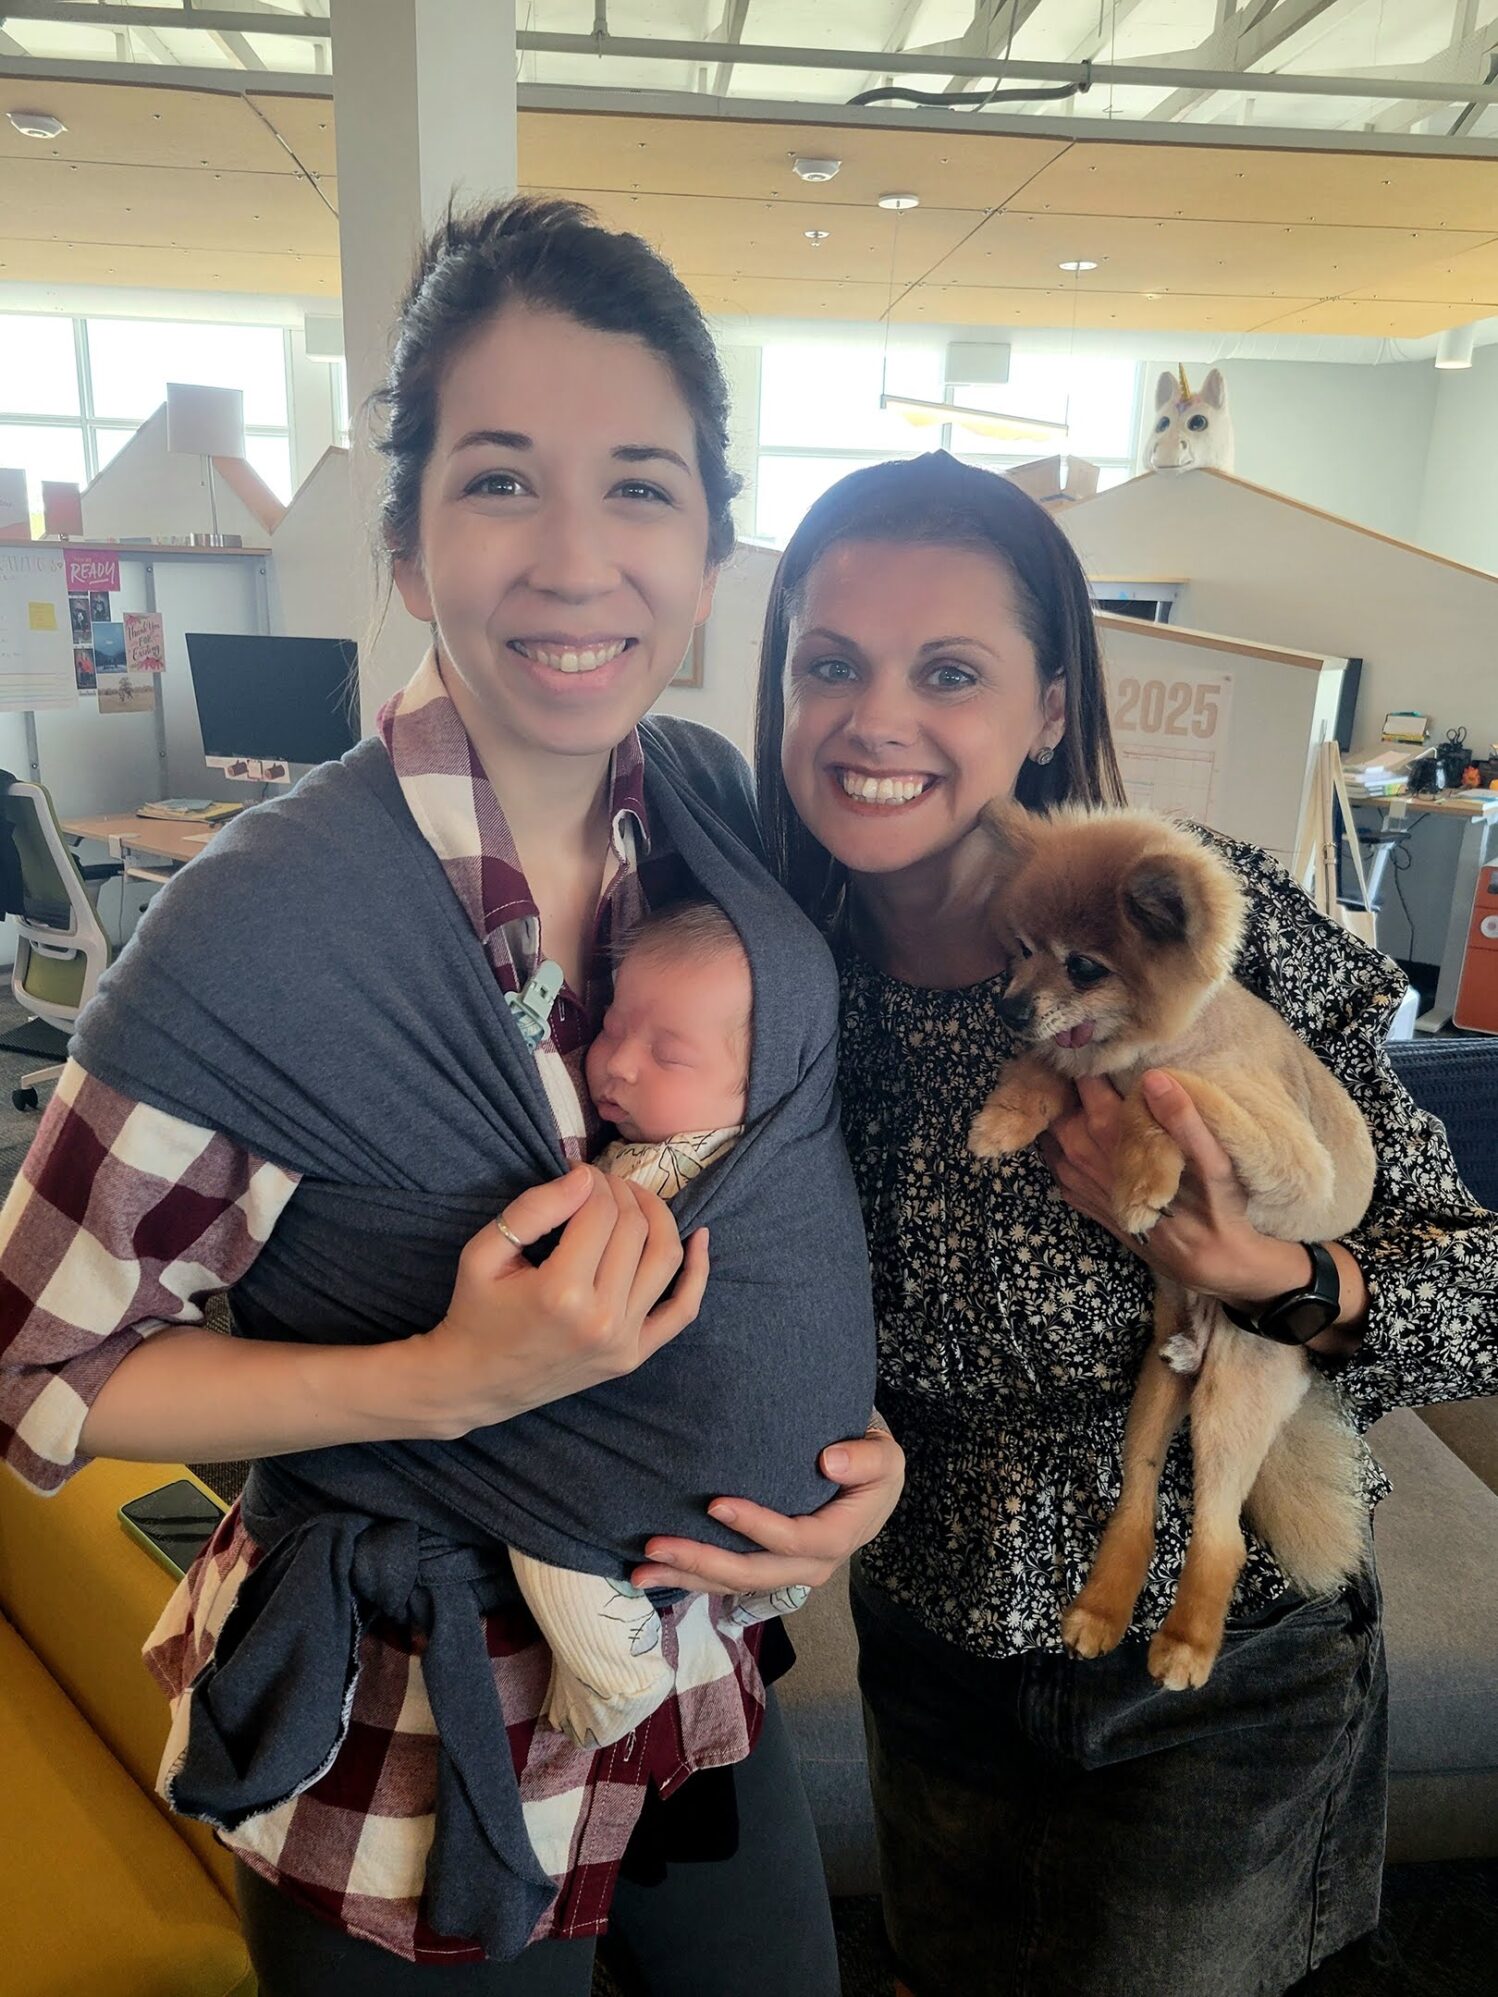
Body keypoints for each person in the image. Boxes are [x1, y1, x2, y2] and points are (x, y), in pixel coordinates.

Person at [0, 198, 904, 1996]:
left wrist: (846, 1476)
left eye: (639, 486)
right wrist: (450, 1378)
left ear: (712, 546)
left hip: (694, 1674)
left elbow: (778, 1168)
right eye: (500, 481)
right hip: (415, 1726)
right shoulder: (261, 928)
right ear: (408, 544)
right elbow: (38, 1365)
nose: (577, 560)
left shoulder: (711, 811)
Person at [749, 449, 1498, 1996]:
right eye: (829, 663)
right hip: (929, 1652)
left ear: (1042, 706)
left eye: (947, 670)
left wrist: (1274, 1276)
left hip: (1222, 1679)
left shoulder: (1187, 909)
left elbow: (1473, 1284)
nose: (875, 717)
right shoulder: (767, 968)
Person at [514, 899, 819, 1752]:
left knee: (535, 1512)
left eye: (668, 1053)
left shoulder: (667, 1167)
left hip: (686, 1440)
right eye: (612, 1024)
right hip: (774, 1473)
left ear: (757, 1086)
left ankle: (613, 1666)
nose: (614, 1062)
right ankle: (765, 1591)